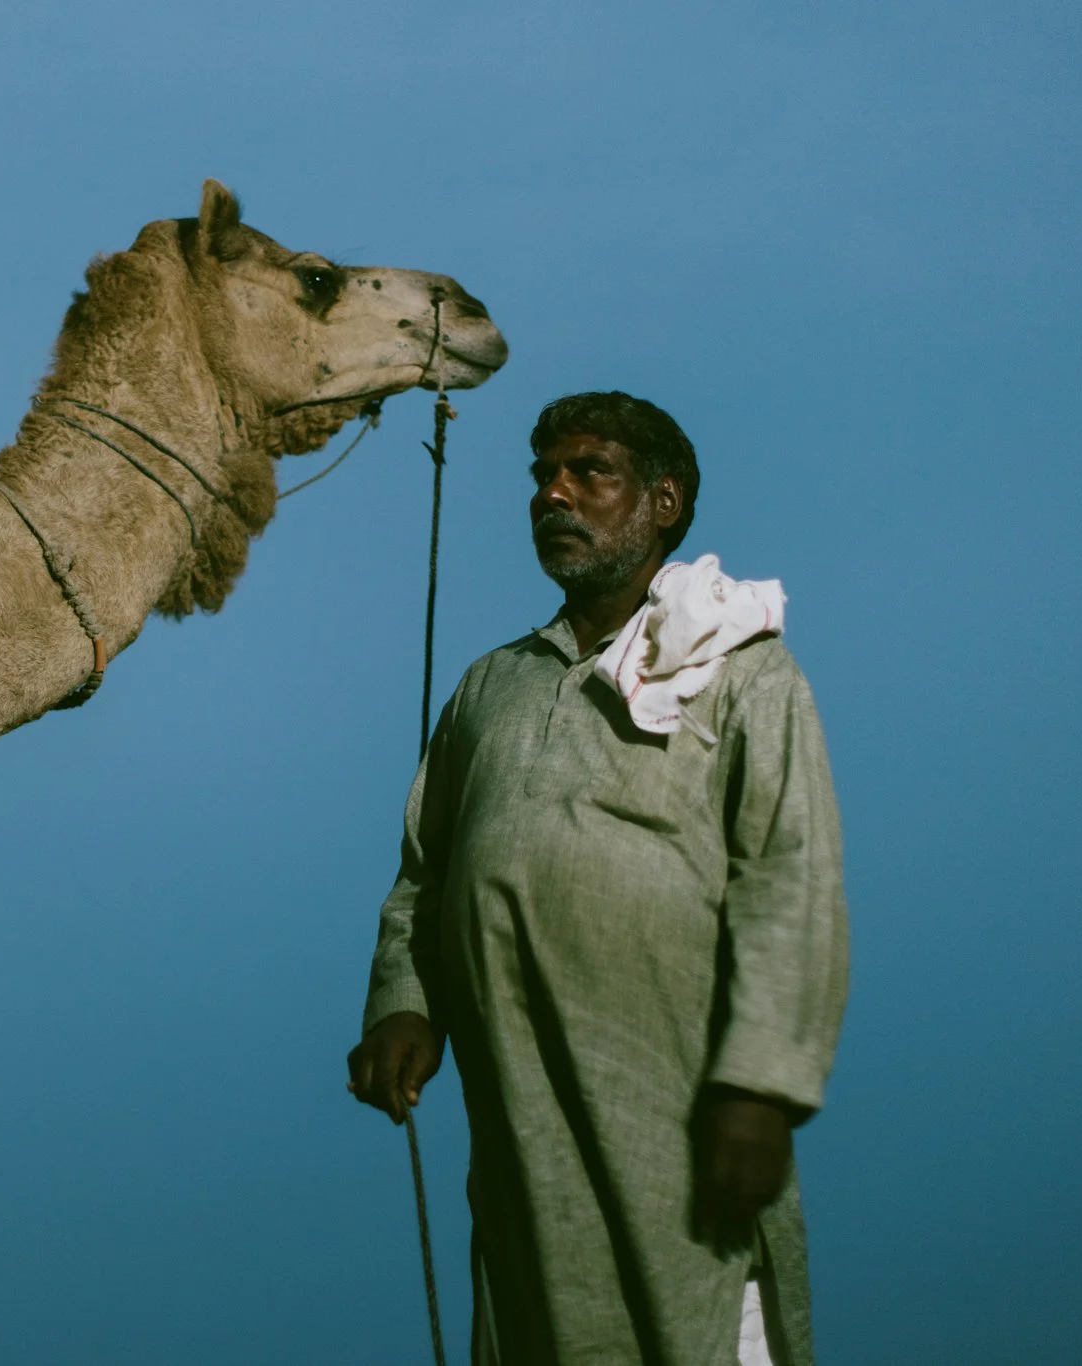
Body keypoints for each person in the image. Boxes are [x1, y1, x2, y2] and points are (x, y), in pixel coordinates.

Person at [347, 392, 848, 1366]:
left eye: (588, 472)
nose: (552, 492)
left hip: (677, 1112)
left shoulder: (738, 669)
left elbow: (788, 877)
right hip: (519, 1128)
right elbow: (423, 874)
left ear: (663, 501)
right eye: (540, 474)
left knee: (704, 1312)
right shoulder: (491, 685)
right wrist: (402, 1005)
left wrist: (759, 1085)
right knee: (543, 1308)